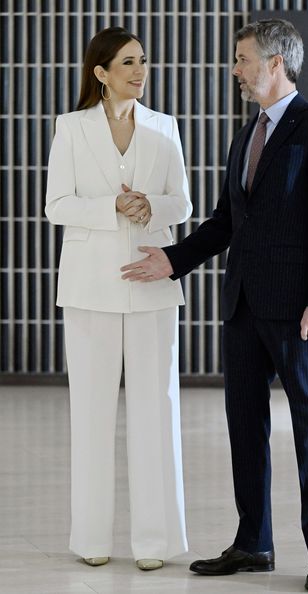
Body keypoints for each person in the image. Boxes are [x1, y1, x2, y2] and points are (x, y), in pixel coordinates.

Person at [120, 18, 308, 591]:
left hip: (300, 311)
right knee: (243, 427)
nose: (235, 72)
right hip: (244, 306)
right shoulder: (245, 135)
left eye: (243, 60)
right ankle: (254, 543)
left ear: (276, 63)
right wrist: (173, 258)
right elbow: (228, 221)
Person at [45, 27, 192, 570]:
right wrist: (112, 206)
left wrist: (149, 206)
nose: (139, 70)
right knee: (90, 415)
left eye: (143, 60)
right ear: (100, 73)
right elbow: (56, 205)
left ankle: (155, 543)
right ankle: (91, 541)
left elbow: (183, 203)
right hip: (88, 289)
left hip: (152, 287)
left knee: (159, 413)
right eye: (127, 62)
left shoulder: (164, 127)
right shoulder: (71, 129)